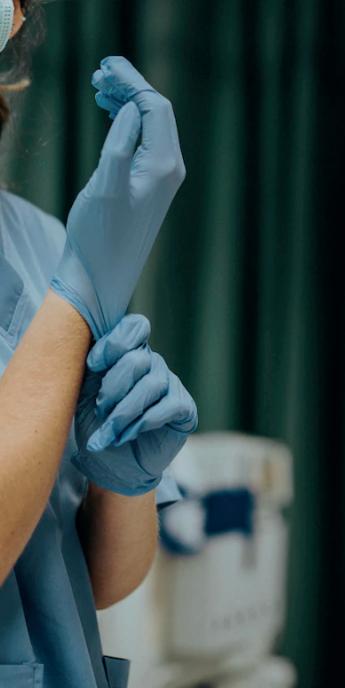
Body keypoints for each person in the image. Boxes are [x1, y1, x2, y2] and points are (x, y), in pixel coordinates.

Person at [0, 1, 198, 686]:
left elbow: (102, 580)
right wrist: (78, 291)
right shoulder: (74, 272)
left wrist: (124, 481)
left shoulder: (44, 241)